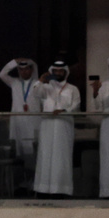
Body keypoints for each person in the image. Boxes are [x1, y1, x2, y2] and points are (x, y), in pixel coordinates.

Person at [33, 59, 80, 197]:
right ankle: (43, 190)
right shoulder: (45, 87)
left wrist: (64, 110)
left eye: (61, 71)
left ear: (66, 72)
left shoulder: (73, 89)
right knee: (45, 156)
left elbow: (76, 107)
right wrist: (41, 81)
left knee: (61, 158)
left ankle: (61, 190)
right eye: (55, 71)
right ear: (51, 71)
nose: (58, 73)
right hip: (47, 125)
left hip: (63, 126)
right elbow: (35, 94)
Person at [0, 58, 42, 164]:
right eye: (21, 69)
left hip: (34, 123)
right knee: (19, 153)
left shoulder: (38, 84)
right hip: (18, 123)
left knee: (34, 151)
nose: (24, 72)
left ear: (32, 70)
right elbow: (2, 74)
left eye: (27, 69)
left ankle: (33, 177)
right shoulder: (14, 82)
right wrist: (14, 62)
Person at [93, 59, 109, 198]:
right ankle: (107, 191)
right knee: (107, 156)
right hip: (107, 124)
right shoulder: (104, 85)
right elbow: (98, 106)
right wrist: (95, 91)